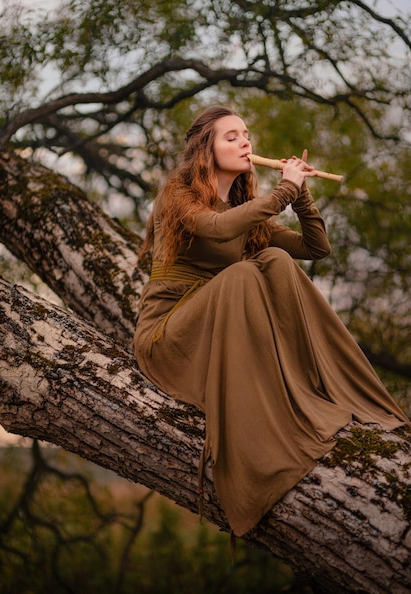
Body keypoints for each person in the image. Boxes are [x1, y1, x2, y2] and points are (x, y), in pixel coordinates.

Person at [134, 105, 409, 537]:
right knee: (243, 272)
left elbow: (317, 249)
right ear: (206, 148)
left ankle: (312, 385)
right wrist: (282, 191)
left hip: (213, 327)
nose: (245, 142)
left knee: (276, 259)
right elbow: (218, 228)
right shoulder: (179, 193)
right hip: (168, 335)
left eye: (246, 134)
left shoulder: (248, 208)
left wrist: (301, 195)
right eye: (231, 136)